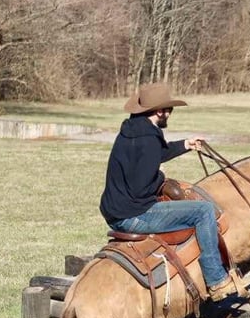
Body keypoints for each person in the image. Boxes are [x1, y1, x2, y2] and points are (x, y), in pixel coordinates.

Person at [99, 82, 240, 301]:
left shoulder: (134, 129)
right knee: (203, 211)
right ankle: (216, 279)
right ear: (159, 111)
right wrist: (161, 178)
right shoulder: (148, 138)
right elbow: (143, 186)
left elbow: (156, 154)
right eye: (169, 110)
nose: (169, 114)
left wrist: (186, 144)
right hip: (134, 214)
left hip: (115, 210)